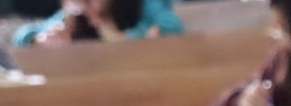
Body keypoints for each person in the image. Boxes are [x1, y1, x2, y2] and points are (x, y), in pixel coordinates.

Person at [18, 0, 184, 45]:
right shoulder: (74, 13)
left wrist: (125, 39)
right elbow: (23, 36)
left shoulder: (144, 4)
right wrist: (38, 40)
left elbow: (172, 26)